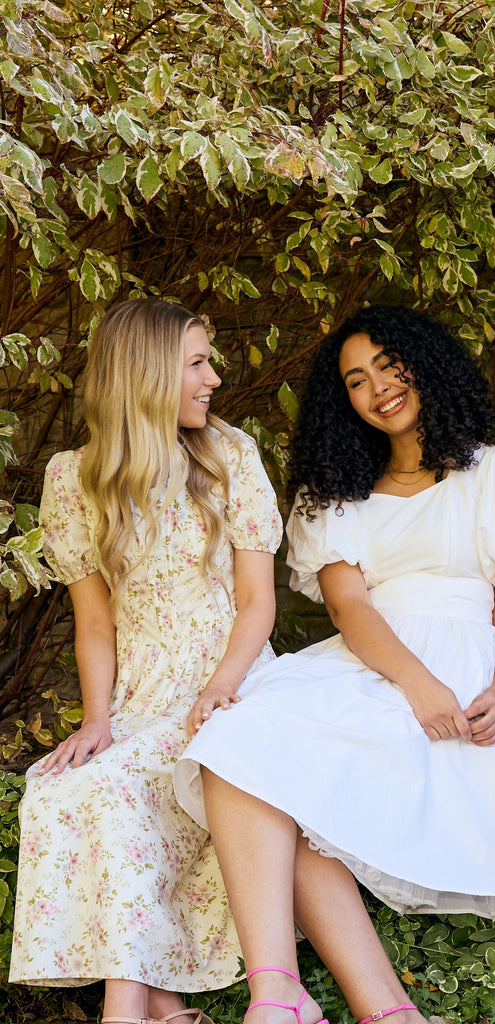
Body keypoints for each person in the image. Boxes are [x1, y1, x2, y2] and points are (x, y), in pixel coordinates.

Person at [173, 305, 495, 1024]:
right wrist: (416, 683)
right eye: (356, 381)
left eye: (389, 366)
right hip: (376, 662)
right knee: (241, 745)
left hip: (467, 669)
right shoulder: (339, 496)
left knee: (293, 786)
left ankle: (379, 1012)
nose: (378, 388)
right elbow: (350, 610)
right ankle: (277, 992)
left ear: (425, 364)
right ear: (347, 404)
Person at [10, 299, 283, 1024]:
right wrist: (97, 719)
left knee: (117, 794)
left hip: (231, 680)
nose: (215, 378)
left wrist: (221, 686)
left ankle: (127, 1012)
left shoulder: (232, 457)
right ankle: (160, 1008)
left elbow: (259, 601)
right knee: (60, 786)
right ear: (148, 373)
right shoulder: (74, 478)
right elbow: (94, 623)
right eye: (198, 363)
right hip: (138, 692)